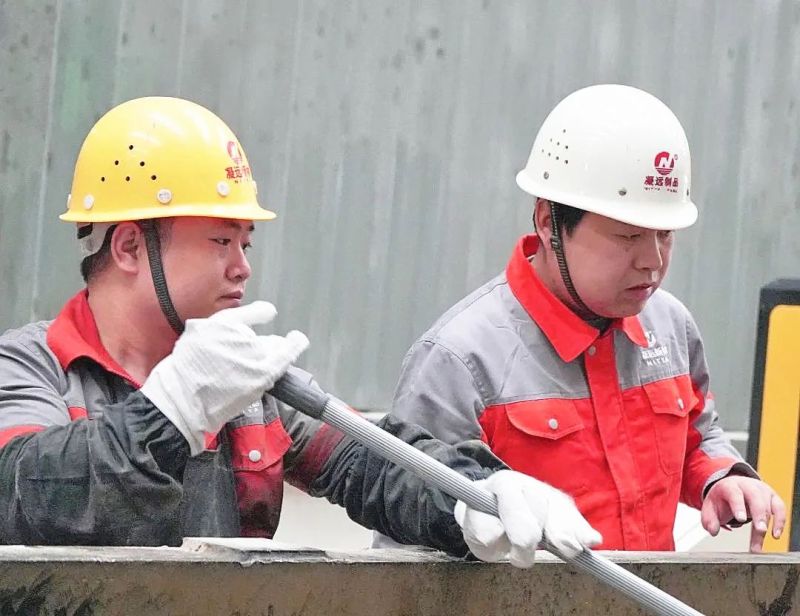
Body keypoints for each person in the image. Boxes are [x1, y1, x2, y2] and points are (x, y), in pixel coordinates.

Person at [0, 96, 599, 566]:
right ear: (131, 246)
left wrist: (472, 497)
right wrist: (168, 413)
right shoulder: (29, 369)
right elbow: (19, 492)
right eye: (220, 240)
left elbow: (370, 461)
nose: (242, 267)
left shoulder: (243, 387)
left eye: (246, 243)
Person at [384, 84, 785, 552]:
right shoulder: (459, 361)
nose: (652, 261)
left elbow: (697, 437)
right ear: (547, 222)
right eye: (628, 236)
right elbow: (409, 532)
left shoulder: (671, 327)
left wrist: (720, 478)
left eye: (665, 234)